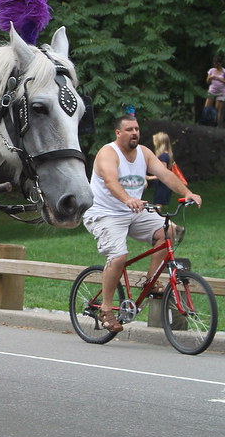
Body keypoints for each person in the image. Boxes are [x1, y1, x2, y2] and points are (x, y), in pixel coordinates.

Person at [82, 114, 201, 333]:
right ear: (118, 133)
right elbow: (110, 181)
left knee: (168, 231)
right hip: (105, 213)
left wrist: (188, 193)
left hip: (134, 210)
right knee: (118, 257)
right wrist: (128, 199)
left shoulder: (144, 153)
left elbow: (165, 174)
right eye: (129, 130)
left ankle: (151, 280)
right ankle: (106, 309)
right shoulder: (108, 153)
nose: (135, 133)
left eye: (136, 129)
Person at [146, 131, 179, 207]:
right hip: (164, 185)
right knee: (158, 209)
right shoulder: (167, 154)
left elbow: (163, 173)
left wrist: (149, 177)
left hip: (162, 186)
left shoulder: (163, 156)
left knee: (157, 209)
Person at [203, 55, 225, 126]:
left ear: (221, 63)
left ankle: (214, 124)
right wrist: (210, 78)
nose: (216, 65)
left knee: (217, 109)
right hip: (211, 91)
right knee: (207, 107)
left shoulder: (224, 71)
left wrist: (218, 78)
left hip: (221, 92)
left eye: (217, 63)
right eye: (215, 63)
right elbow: (207, 82)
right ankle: (205, 123)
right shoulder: (211, 70)